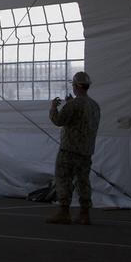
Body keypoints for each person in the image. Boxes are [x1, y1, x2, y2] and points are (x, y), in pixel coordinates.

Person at [47, 71, 101, 225]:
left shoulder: (73, 105)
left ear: (77, 86)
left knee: (63, 179)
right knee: (83, 181)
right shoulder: (94, 105)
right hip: (86, 151)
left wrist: (53, 108)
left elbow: (59, 120)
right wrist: (70, 104)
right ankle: (85, 214)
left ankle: (64, 212)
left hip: (69, 150)